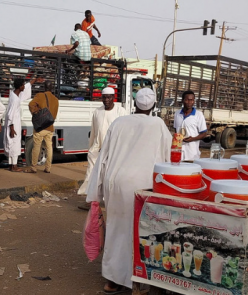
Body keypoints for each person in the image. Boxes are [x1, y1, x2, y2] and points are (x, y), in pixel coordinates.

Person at [86, 88, 172, 293]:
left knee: (117, 229)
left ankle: (112, 280)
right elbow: (167, 156)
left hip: (115, 183)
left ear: (135, 104)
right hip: (143, 185)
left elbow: (103, 156)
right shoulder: (158, 124)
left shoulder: (119, 122)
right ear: (152, 106)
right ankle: (139, 280)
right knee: (141, 232)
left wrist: (95, 192)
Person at [77, 87, 127, 205]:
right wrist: (91, 148)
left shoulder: (121, 112)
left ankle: (108, 200)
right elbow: (94, 131)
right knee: (91, 173)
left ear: (113, 98)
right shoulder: (97, 112)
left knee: (108, 176)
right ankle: (90, 200)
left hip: (113, 150)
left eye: (109, 97)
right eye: (104, 97)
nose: (106, 100)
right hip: (97, 149)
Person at [4, 78, 42, 172]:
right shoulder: (15, 100)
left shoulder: (14, 94)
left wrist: (35, 80)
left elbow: (28, 86)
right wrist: (12, 128)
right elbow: (10, 115)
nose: (24, 86)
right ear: (20, 86)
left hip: (13, 123)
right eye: (23, 85)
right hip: (13, 124)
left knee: (11, 144)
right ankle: (14, 166)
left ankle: (10, 165)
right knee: (14, 144)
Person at [24, 81, 59, 174]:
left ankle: (33, 167)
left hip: (40, 127)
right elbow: (54, 114)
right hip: (50, 127)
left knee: (37, 146)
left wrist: (36, 112)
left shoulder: (40, 96)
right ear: (52, 88)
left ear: (44, 87)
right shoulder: (56, 99)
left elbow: (31, 104)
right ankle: (48, 168)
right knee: (49, 147)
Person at [173, 90, 207, 161]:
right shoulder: (177, 114)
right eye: (187, 100)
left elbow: (204, 134)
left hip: (192, 154)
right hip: (179, 153)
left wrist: (192, 139)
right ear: (182, 101)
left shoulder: (199, 115)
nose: (189, 102)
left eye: (191, 100)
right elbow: (176, 131)